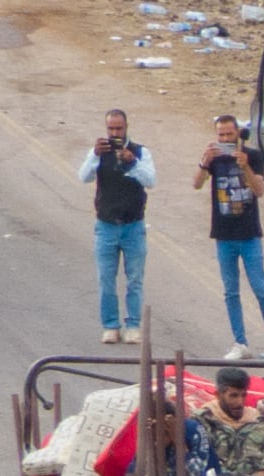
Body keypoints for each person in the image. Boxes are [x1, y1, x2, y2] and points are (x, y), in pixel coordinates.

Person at [197, 116, 264, 359]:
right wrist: (204, 163)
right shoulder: (214, 158)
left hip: (249, 233)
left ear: (238, 134)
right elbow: (196, 184)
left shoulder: (252, 156)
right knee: (231, 291)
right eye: (220, 135)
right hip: (223, 234)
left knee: (260, 287)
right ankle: (239, 342)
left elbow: (259, 191)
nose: (224, 140)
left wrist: (245, 167)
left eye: (228, 135)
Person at [77, 110, 153, 342]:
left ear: (126, 127)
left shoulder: (141, 152)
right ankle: (110, 325)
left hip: (133, 225)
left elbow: (151, 180)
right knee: (106, 278)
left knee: (134, 279)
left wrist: (133, 162)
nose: (115, 133)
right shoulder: (99, 152)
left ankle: (133, 325)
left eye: (119, 129)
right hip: (106, 225)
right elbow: (83, 177)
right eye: (111, 129)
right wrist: (95, 156)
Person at [182, 363, 264, 476]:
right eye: (233, 396)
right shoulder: (201, 422)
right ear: (218, 395)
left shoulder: (259, 420)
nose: (240, 402)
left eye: (243, 395)